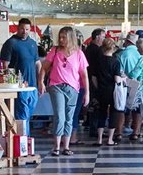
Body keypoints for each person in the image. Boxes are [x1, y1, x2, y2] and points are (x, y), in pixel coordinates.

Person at [39, 26, 90, 157]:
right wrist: (41, 82)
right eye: (60, 37)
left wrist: (87, 93)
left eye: (64, 37)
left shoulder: (79, 54)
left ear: (71, 38)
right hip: (56, 86)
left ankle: (66, 146)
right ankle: (56, 146)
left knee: (69, 117)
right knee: (60, 115)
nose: (61, 40)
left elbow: (84, 75)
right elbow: (44, 68)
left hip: (73, 88)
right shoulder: (54, 51)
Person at [0, 18, 40, 138]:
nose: (24, 31)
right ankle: (23, 141)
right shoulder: (11, 43)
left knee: (28, 114)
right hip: (19, 87)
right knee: (22, 115)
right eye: (22, 28)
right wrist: (11, 82)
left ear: (30, 29)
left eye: (27, 29)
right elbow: (5, 65)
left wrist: (40, 81)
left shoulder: (32, 43)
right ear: (18, 28)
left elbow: (37, 63)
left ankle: (23, 140)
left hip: (32, 86)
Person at [91, 38, 122, 147]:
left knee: (101, 113)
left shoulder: (98, 61)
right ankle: (110, 139)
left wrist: (98, 87)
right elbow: (117, 79)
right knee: (113, 113)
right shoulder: (115, 62)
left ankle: (99, 139)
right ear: (113, 48)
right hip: (112, 91)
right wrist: (123, 79)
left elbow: (93, 78)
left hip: (101, 91)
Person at [118, 31, 143, 141]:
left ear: (127, 42)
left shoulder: (121, 54)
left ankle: (119, 132)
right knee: (136, 109)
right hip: (138, 83)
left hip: (125, 83)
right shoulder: (140, 54)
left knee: (121, 108)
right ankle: (136, 132)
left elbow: (119, 71)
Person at [82, 29, 106, 138]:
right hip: (94, 81)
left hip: (90, 80)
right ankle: (95, 128)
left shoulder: (89, 49)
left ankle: (93, 126)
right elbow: (96, 68)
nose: (104, 39)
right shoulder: (96, 50)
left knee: (93, 105)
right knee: (96, 105)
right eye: (103, 36)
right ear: (97, 37)